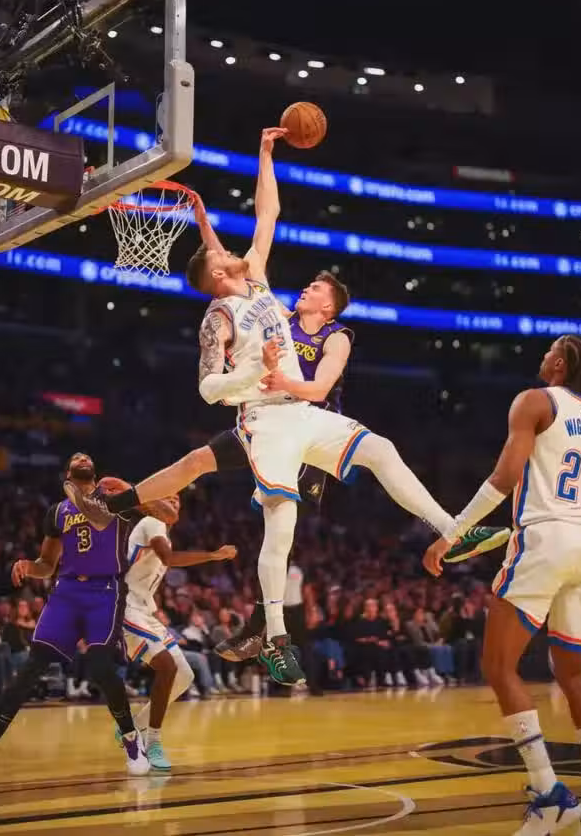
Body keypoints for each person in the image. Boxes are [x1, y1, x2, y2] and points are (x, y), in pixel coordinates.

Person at [68, 128, 509, 686]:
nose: (234, 249)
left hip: (304, 414)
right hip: (266, 419)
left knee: (380, 449)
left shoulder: (257, 283)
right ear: (219, 274)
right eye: (223, 254)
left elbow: (267, 213)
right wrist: (257, 372)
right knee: (282, 519)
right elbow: (209, 389)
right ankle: (275, 636)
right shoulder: (217, 318)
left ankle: (454, 529)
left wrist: (265, 154)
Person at [423, 335, 581, 834]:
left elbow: (503, 477)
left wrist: (451, 533)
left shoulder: (535, 400)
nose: (542, 356)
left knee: (499, 666)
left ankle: (550, 795)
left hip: (546, 540)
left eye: (549, 351)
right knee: (574, 675)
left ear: (559, 363)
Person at [0, 453, 173, 785]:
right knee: (29, 671)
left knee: (100, 666)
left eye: (86, 456)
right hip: (67, 592)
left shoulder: (115, 501)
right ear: (67, 476)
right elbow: (46, 564)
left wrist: (130, 489)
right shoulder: (57, 512)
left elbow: (167, 514)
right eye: (76, 457)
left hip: (105, 591)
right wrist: (28, 566)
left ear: (94, 472)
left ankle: (131, 739)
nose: (82, 457)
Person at [121, 494, 237, 769]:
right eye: (168, 498)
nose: (173, 502)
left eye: (177, 501)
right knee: (168, 666)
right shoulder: (151, 522)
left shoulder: (162, 533)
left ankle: (132, 727)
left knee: (185, 676)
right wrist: (213, 555)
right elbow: (169, 558)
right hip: (125, 606)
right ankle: (152, 741)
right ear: (156, 503)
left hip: (144, 610)